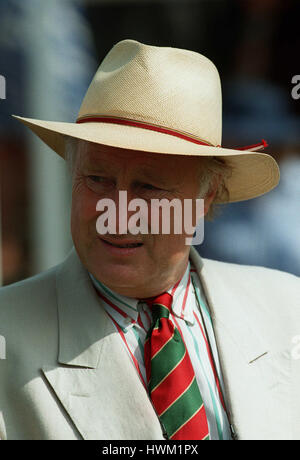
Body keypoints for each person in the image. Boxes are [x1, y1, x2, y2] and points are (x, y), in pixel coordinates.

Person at [0, 39, 299, 441]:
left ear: (205, 198)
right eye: (98, 179)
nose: (118, 213)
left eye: (149, 187)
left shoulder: (287, 308)